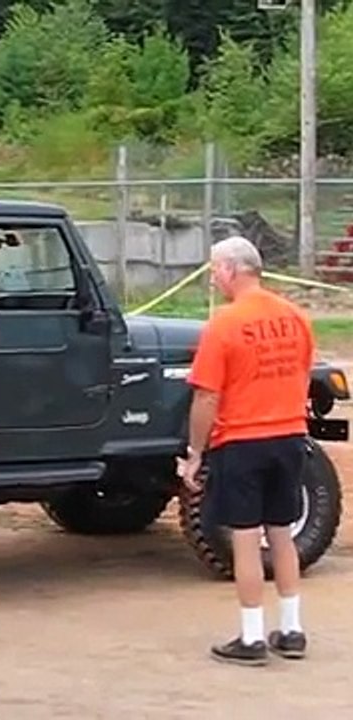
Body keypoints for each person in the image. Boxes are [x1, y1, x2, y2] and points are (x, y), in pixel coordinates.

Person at [177, 235, 315, 667]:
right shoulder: (295, 316)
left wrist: (195, 452)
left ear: (232, 270)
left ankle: (252, 636)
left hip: (242, 441)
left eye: (215, 269)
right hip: (290, 436)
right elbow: (304, 370)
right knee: (281, 533)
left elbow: (205, 398)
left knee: (244, 538)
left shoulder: (224, 324)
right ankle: (292, 629)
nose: (214, 277)